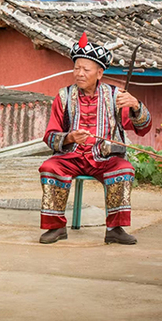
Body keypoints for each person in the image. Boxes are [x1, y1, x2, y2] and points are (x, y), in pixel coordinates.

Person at [39, 33, 152, 245]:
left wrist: (136, 105)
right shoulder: (63, 97)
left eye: (85, 69)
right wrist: (70, 137)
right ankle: (56, 228)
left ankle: (115, 229)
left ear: (99, 73)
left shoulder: (115, 96)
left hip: (105, 157)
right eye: (76, 68)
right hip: (71, 156)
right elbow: (50, 136)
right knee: (49, 167)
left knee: (124, 169)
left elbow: (143, 129)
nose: (79, 73)